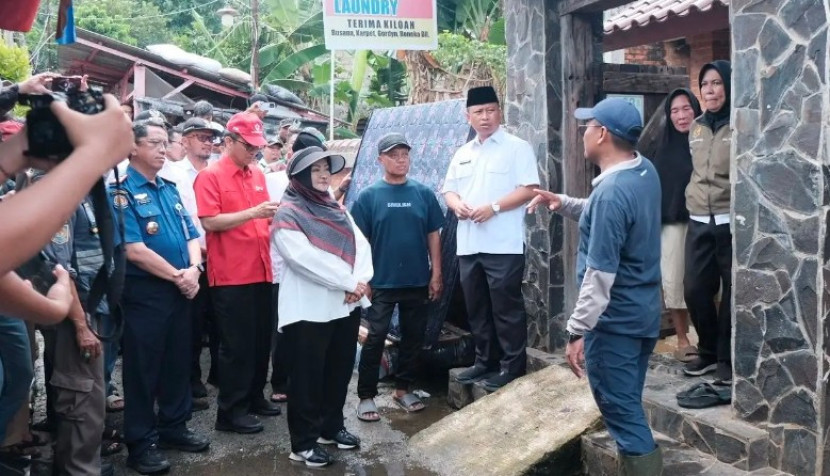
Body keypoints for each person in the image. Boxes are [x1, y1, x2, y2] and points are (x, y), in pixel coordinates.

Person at [528, 97, 662, 475]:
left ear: (602, 134)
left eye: (587, 126)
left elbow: (600, 276)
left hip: (614, 324)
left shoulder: (611, 194)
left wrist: (576, 330)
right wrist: (564, 203)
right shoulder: (643, 171)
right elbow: (611, 215)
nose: (583, 131)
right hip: (643, 316)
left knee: (622, 415)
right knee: (629, 405)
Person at [111, 121, 209, 475]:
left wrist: (194, 270)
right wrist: (179, 276)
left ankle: (174, 426)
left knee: (178, 361)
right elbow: (134, 250)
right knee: (143, 368)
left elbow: (191, 235)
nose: (162, 149)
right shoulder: (119, 192)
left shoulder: (168, 188)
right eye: (154, 143)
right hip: (147, 293)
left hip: (183, 287)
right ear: (133, 147)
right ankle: (141, 441)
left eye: (165, 143)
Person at [273, 146, 373, 468]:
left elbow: (361, 245)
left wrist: (360, 280)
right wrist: (348, 282)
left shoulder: (337, 209)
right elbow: (302, 258)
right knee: (306, 377)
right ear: (300, 175)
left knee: (339, 371)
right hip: (309, 309)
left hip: (344, 306)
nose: (323, 175)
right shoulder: (288, 213)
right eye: (315, 170)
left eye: (326, 168)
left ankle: (331, 428)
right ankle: (302, 444)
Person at [442, 85, 540, 391]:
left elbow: (529, 189)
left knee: (505, 307)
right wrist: (456, 204)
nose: (485, 117)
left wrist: (494, 208)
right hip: (469, 244)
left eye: (491, 110)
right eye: (478, 112)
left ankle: (512, 366)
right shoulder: (462, 153)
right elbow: (449, 190)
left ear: (500, 111)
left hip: (503, 245)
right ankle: (484, 362)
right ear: (468, 116)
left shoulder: (516, 147)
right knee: (477, 308)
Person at [194, 112, 281, 435]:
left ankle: (255, 397)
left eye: (258, 147)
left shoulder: (257, 174)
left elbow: (266, 219)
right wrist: (254, 213)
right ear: (228, 142)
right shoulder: (211, 176)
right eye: (249, 146)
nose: (254, 152)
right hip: (231, 275)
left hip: (262, 269)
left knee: (260, 342)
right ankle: (230, 412)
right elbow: (210, 221)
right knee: (236, 346)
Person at [351, 133, 443, 421]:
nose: (401, 160)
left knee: (413, 337)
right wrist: (362, 280)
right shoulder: (369, 197)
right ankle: (366, 396)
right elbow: (359, 242)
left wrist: (436, 272)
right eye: (394, 155)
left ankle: (403, 389)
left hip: (417, 280)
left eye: (405, 154)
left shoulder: (423, 194)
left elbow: (433, 235)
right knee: (376, 337)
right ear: (381, 160)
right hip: (381, 283)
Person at [37, 186, 110, 476]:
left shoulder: (87, 190)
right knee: (81, 401)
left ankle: (82, 464)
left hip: (92, 304)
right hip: (76, 311)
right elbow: (59, 269)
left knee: (90, 401)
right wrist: (81, 325)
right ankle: (78, 469)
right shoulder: (61, 192)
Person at [683, 61, 733, 383]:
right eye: (705, 85)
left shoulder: (739, 123)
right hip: (699, 218)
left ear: (728, 87)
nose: (710, 90)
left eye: (716, 83)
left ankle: (726, 358)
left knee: (732, 292)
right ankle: (709, 351)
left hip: (730, 219)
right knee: (695, 288)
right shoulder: (696, 127)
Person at [171, 117, 221, 405]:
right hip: (190, 259)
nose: (206, 141)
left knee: (219, 321)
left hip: (220, 256)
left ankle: (218, 372)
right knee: (191, 322)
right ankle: (191, 378)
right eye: (200, 136)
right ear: (185, 140)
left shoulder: (217, 172)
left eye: (209, 137)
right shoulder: (174, 173)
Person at [652, 89, 702, 363]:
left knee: (709, 283)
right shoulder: (663, 148)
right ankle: (683, 339)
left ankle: (710, 337)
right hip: (672, 224)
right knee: (673, 281)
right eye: (675, 111)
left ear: (696, 109)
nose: (681, 116)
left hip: (703, 222)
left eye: (686, 109)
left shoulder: (706, 142)